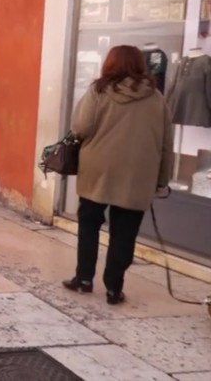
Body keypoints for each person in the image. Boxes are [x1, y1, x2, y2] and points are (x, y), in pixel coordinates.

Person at [63, 45, 173, 305]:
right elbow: (166, 144)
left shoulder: (98, 91)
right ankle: (114, 288)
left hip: (98, 168)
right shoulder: (156, 98)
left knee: (89, 224)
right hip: (138, 174)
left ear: (109, 63)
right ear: (141, 65)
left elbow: (80, 127)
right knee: (125, 232)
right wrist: (162, 180)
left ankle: (84, 278)